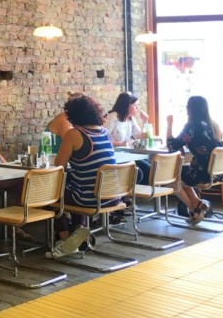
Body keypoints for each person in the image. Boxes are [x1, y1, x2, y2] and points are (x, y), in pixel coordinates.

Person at [48, 94, 116, 258]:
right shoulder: (105, 133)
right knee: (77, 187)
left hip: (90, 198)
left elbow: (59, 165)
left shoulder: (74, 134)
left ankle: (65, 241)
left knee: (50, 195)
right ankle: (78, 232)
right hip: (113, 196)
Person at [166, 95, 223, 225]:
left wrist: (169, 124)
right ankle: (196, 204)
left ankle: (193, 207)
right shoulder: (214, 125)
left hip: (202, 173)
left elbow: (171, 145)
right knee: (180, 173)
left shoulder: (192, 126)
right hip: (217, 173)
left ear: (191, 109)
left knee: (170, 177)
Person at [105, 91, 151, 184]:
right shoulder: (113, 117)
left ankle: (137, 192)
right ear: (126, 106)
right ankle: (130, 192)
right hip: (116, 157)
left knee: (149, 170)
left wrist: (145, 121)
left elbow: (142, 137)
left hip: (128, 155)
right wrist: (120, 144)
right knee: (139, 173)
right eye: (134, 105)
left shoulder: (130, 119)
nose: (137, 108)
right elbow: (103, 140)